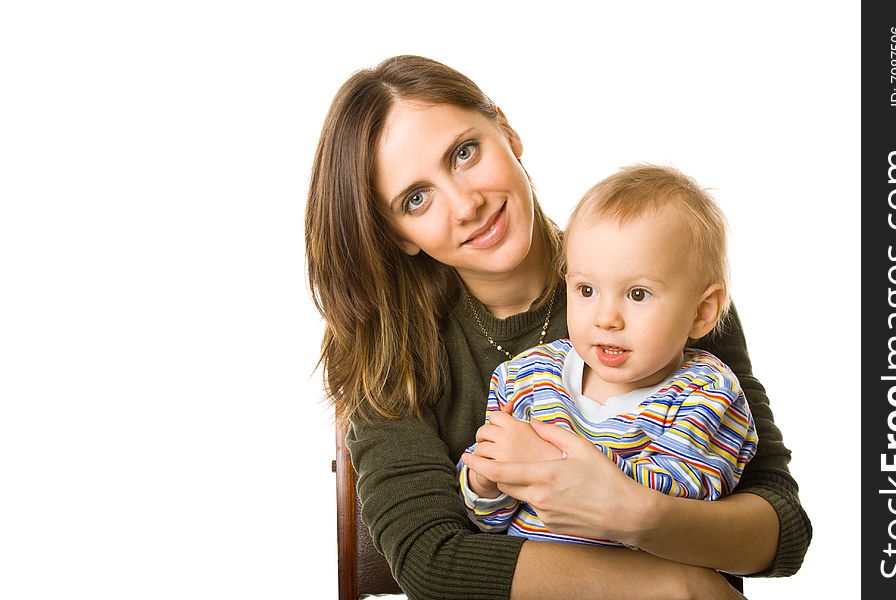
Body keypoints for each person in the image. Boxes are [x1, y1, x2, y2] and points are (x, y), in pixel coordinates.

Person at [306, 55, 811, 600]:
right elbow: (431, 563)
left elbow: (781, 532)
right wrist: (675, 584)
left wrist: (631, 512)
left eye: (463, 153)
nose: (466, 205)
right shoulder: (386, 349)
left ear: (507, 130)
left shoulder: (661, 274)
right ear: (400, 234)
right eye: (416, 199)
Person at [459, 165, 759, 547]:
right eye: (586, 290)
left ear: (702, 312)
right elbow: (489, 520)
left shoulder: (707, 394)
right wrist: (484, 481)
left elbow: (675, 505)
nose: (606, 318)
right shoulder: (527, 376)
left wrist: (548, 461)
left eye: (637, 294)